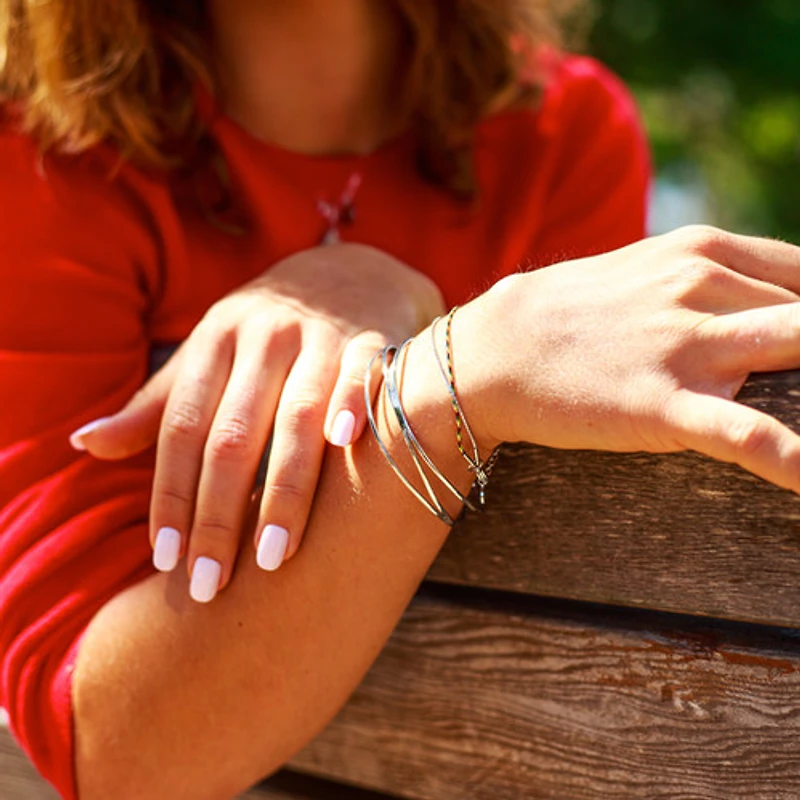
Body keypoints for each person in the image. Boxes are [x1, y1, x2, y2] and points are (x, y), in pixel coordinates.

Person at [3, 1, 800, 798]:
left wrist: (433, 336)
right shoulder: (40, 152)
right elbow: (108, 748)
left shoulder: (563, 129)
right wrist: (454, 373)